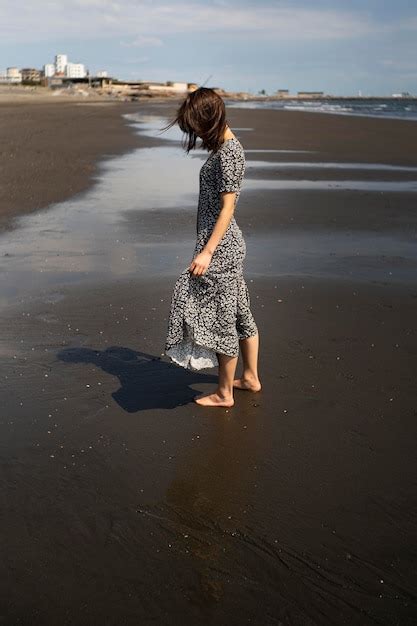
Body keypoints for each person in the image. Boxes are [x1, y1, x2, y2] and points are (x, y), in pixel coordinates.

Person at [162, 87, 261, 407]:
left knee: (221, 322)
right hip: (226, 246)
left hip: (221, 250)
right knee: (241, 315)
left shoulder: (230, 154)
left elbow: (227, 209)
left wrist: (207, 251)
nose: (194, 133)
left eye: (195, 126)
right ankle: (249, 378)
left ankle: (224, 394)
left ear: (208, 120)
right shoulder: (224, 150)